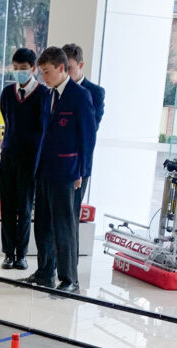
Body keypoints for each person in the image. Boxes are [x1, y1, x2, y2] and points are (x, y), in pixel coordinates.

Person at [24, 47, 96, 294]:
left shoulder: (80, 96)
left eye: (46, 72)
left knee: (64, 225)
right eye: (42, 72)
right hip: (44, 170)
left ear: (61, 68)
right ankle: (45, 272)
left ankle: (69, 279)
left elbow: (88, 138)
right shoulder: (48, 95)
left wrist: (82, 172)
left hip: (67, 172)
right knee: (42, 223)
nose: (43, 77)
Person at [0, 48, 48, 271]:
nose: (18, 72)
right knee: (7, 206)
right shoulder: (8, 93)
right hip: (8, 157)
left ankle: (22, 254)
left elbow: (43, 129)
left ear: (33, 69)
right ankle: (8, 253)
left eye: (23, 69)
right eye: (15, 68)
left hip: (30, 160)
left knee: (25, 208)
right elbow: (6, 120)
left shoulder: (43, 95)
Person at [62, 43, 105, 217]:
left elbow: (90, 131)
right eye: (62, 68)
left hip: (78, 164)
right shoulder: (57, 90)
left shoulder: (95, 92)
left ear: (80, 65)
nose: (65, 72)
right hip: (57, 163)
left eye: (69, 68)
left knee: (71, 216)